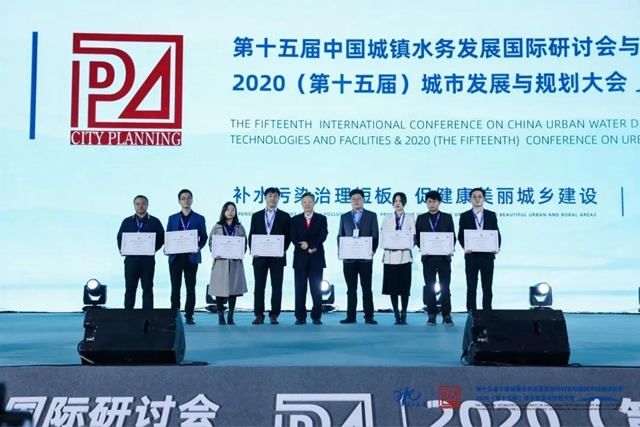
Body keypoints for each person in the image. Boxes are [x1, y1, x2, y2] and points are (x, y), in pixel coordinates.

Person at [248, 187, 291, 325]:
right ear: (265, 198)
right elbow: (251, 235)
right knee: (259, 287)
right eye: (270, 196)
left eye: (275, 196)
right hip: (259, 258)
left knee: (277, 287)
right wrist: (254, 250)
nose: (273, 198)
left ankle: (274, 314)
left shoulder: (285, 216)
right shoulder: (256, 216)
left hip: (277, 258)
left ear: (279, 198)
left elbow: (288, 237)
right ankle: (259, 314)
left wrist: (281, 250)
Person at [337, 189, 379, 324]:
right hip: (349, 260)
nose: (356, 201)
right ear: (350, 201)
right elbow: (340, 236)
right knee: (351, 289)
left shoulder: (371, 216)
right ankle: (351, 316)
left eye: (359, 199)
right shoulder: (344, 217)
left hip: (365, 259)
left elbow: (375, 235)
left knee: (367, 288)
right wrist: (341, 250)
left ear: (363, 200)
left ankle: (369, 316)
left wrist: (372, 250)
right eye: (353, 199)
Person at [166, 189, 208, 325]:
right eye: (183, 198)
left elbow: (204, 237)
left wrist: (198, 247)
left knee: (190, 288)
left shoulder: (199, 218)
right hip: (175, 258)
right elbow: (168, 236)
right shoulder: (172, 218)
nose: (186, 200)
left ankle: (189, 315)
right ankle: (174, 315)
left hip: (191, 257)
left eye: (188, 197)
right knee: (175, 288)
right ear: (179, 201)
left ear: (192, 200)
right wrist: (167, 247)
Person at [415, 190, 456, 326]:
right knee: (429, 288)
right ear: (426, 203)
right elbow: (418, 238)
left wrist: (449, 248)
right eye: (429, 201)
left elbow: (452, 236)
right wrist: (425, 248)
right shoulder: (421, 218)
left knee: (445, 288)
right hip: (428, 258)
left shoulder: (447, 217)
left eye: (435, 201)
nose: (432, 204)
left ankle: (446, 315)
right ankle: (431, 315)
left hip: (444, 258)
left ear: (439, 202)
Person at [116, 195, 165, 309]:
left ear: (147, 205)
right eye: (137, 204)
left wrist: (153, 248)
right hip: (131, 261)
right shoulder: (127, 221)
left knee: (147, 288)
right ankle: (128, 314)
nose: (140, 206)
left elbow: (162, 237)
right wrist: (122, 249)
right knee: (130, 288)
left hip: (147, 260)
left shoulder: (155, 221)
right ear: (134, 206)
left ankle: (148, 315)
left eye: (143, 203)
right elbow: (120, 237)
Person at [458, 187, 502, 311]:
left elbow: (496, 234)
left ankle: (487, 313)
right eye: (474, 197)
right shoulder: (465, 216)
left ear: (484, 199)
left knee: (487, 287)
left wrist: (496, 247)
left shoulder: (491, 215)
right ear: (470, 199)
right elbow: (461, 235)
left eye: (479, 197)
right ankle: (471, 313)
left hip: (487, 256)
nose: (477, 199)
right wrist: (465, 246)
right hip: (471, 256)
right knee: (471, 287)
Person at [290, 192, 329, 325]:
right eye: (305, 202)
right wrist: (306, 248)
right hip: (300, 259)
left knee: (316, 289)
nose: (307, 204)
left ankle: (316, 316)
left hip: (316, 258)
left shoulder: (321, 219)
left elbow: (323, 235)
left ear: (314, 203)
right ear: (301, 204)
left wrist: (311, 245)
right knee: (300, 289)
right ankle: (300, 317)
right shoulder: (294, 220)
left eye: (310, 202)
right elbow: (293, 237)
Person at [208, 202, 248, 325]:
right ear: (223, 212)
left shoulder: (240, 228)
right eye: (228, 209)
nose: (230, 212)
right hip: (221, 263)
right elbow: (211, 243)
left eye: (233, 209)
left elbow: (244, 244)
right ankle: (220, 316)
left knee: (233, 291)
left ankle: (231, 316)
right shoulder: (217, 227)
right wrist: (215, 253)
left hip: (235, 263)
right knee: (219, 291)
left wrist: (240, 252)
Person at [380, 192, 415, 325]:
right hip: (390, 258)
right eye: (395, 201)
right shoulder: (386, 219)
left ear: (404, 202)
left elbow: (414, 237)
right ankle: (396, 313)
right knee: (392, 288)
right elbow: (383, 237)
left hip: (405, 257)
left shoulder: (410, 218)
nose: (397, 203)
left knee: (404, 288)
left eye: (400, 201)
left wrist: (407, 244)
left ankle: (404, 313)